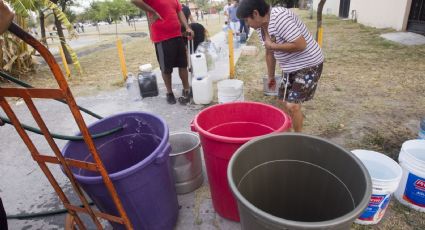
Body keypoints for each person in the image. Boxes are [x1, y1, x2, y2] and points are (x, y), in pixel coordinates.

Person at [237, 0, 324, 132]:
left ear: (255, 13)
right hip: (289, 67)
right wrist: (271, 77)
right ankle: (286, 135)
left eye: (246, 20)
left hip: (309, 63)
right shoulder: (261, 28)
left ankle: (298, 139)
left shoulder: (280, 17)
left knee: (293, 105)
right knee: (282, 103)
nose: (246, 24)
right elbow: (269, 53)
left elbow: (301, 44)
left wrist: (273, 46)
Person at [132, 0, 194, 105]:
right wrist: (153, 12)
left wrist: (187, 27)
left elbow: (179, 11)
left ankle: (186, 89)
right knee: (166, 68)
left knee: (183, 65)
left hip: (177, 35)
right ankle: (169, 93)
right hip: (162, 38)